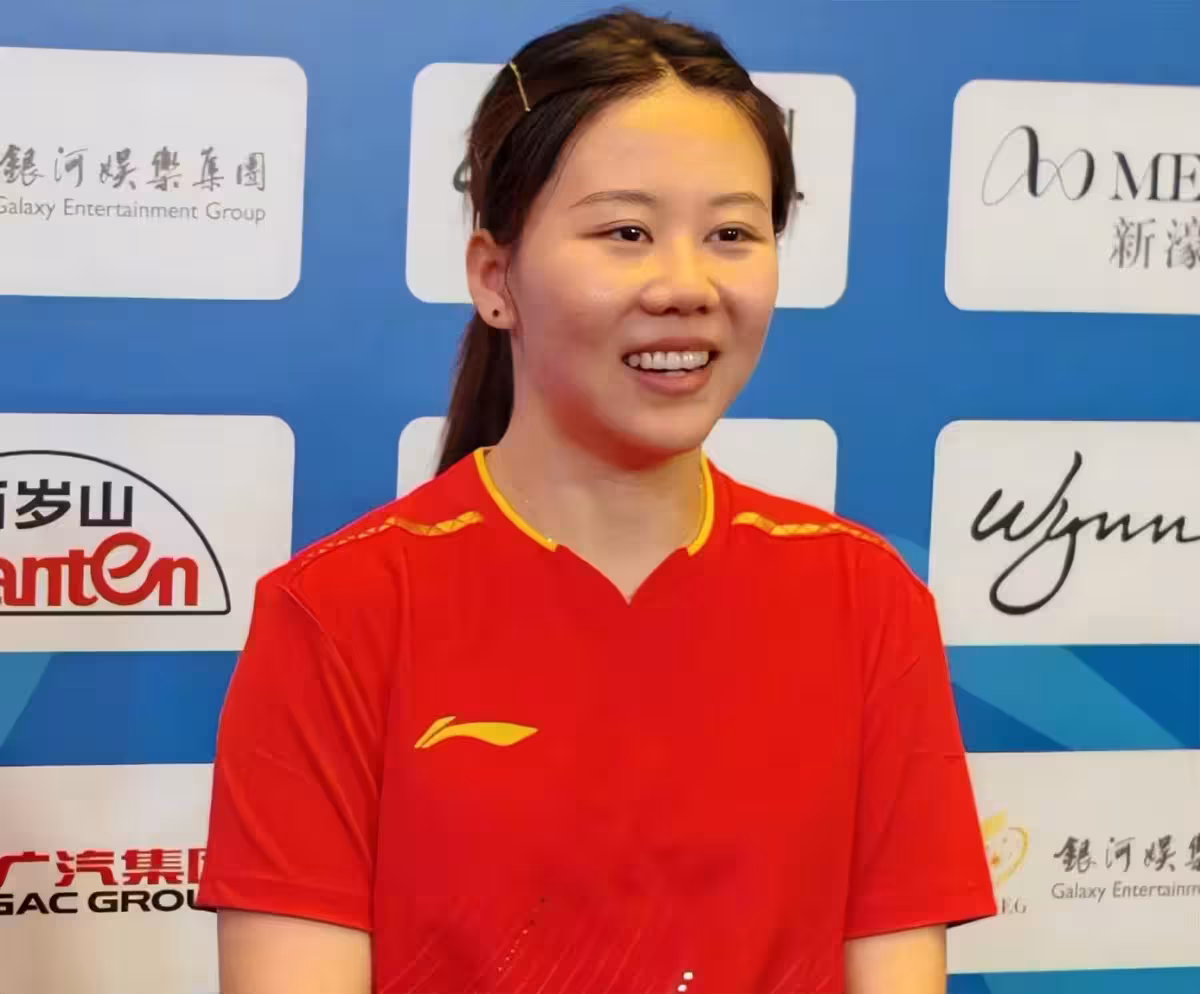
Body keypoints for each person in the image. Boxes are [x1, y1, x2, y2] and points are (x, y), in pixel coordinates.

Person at [196, 9, 996, 993]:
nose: (687, 285)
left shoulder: (865, 599)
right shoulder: (339, 612)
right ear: (495, 277)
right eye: (627, 232)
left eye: (732, 233)